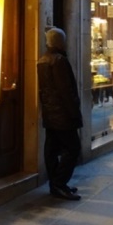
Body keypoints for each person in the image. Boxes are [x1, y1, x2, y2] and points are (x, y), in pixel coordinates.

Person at [37, 27, 83, 200]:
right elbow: (66, 91)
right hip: (62, 115)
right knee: (73, 148)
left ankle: (55, 184)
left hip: (50, 114)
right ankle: (59, 184)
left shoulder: (42, 60)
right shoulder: (59, 61)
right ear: (59, 42)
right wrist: (74, 113)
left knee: (51, 149)